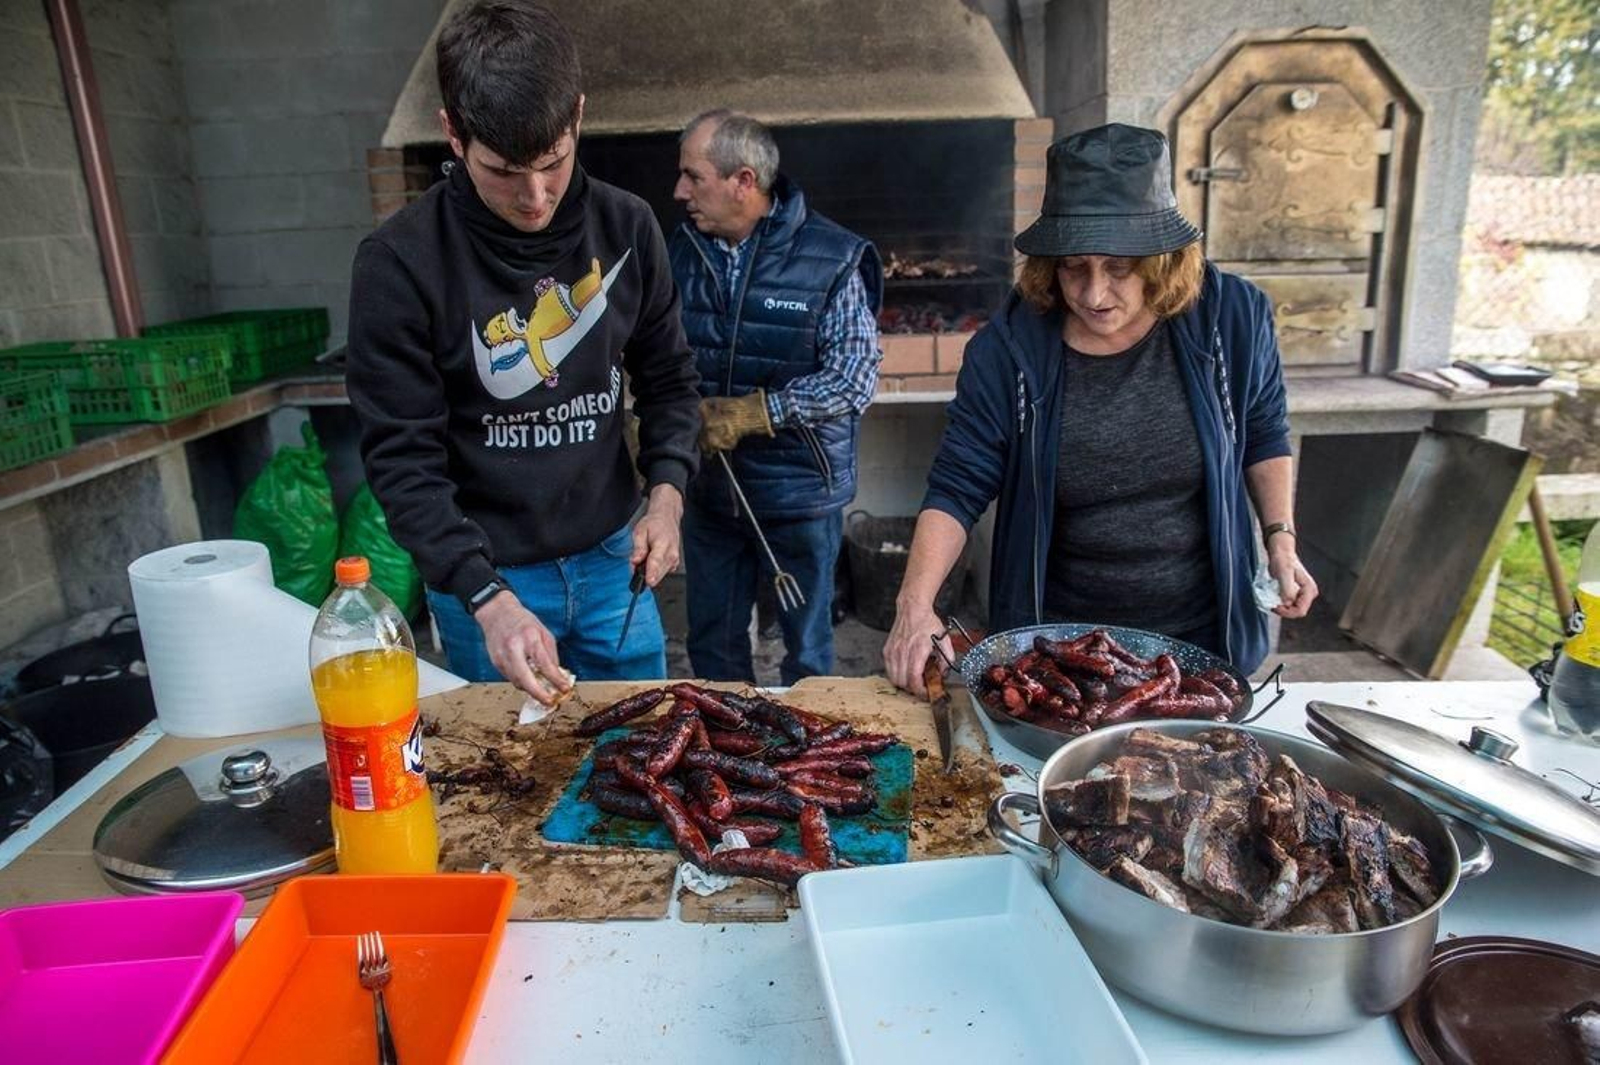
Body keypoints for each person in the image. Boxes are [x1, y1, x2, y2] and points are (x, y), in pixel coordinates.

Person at [345, 0, 701, 706]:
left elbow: (669, 381)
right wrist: (484, 593)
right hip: (490, 580)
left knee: (645, 748)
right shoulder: (399, 263)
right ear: (452, 133)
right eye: (504, 170)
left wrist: (667, 497)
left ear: (577, 116)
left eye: (553, 163)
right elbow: (402, 460)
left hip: (612, 560)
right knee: (510, 783)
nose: (535, 196)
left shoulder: (627, 225)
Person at [883, 123, 1317, 695]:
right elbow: (959, 483)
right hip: (1061, 649)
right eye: (1072, 267)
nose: (1092, 294)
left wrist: (1279, 540)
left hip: (1200, 637)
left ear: (1162, 259)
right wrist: (914, 605)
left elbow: (1262, 432)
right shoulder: (1008, 349)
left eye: (1118, 267)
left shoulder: (1231, 318)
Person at [669, 110, 883, 684]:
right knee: (711, 648)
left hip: (800, 496)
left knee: (808, 654)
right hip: (711, 492)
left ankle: (805, 768)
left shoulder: (833, 258)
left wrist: (755, 412)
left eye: (694, 177)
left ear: (743, 181)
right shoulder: (680, 251)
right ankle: (727, 760)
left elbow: (854, 379)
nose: (679, 191)